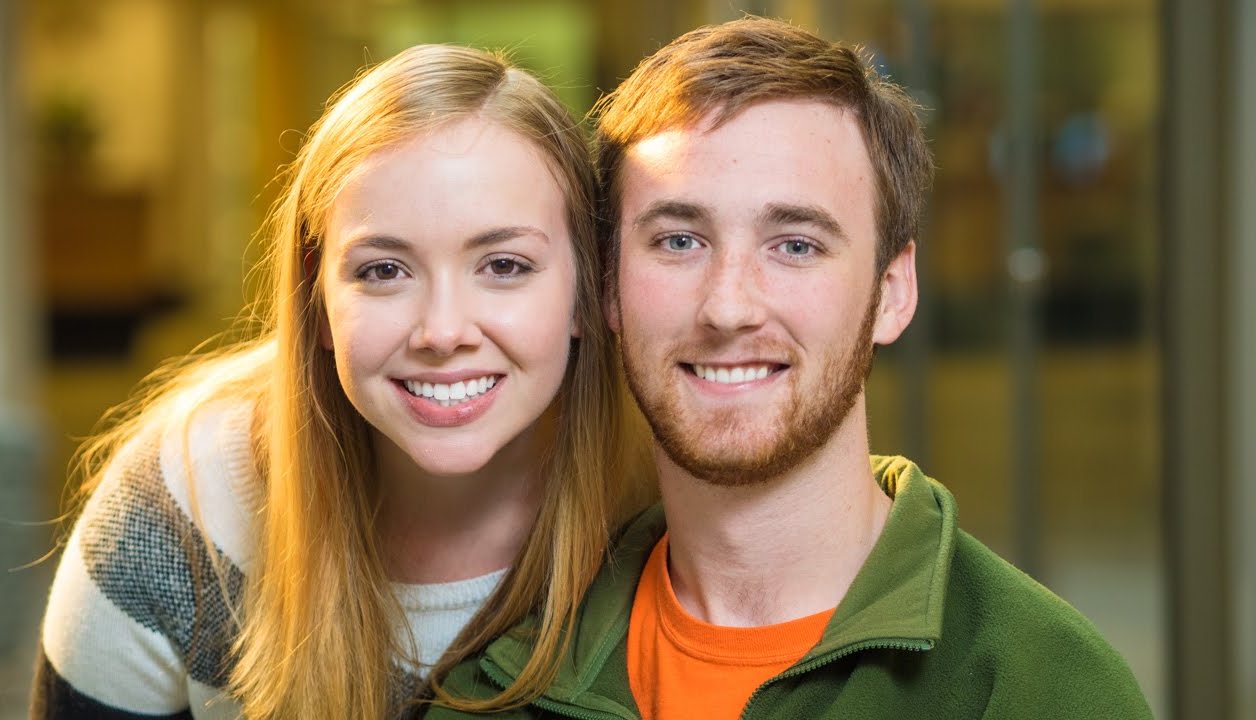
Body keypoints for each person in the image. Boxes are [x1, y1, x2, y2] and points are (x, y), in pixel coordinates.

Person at [429, 17, 1152, 719]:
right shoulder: (499, 680)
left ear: (893, 293)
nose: (729, 308)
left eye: (796, 244)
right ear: (610, 286)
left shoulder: (1042, 688)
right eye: (679, 240)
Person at [32, 44, 650, 720]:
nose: (442, 332)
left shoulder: (666, 509)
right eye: (383, 271)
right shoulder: (185, 503)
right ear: (317, 299)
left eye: (503, 265)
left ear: (587, 291)